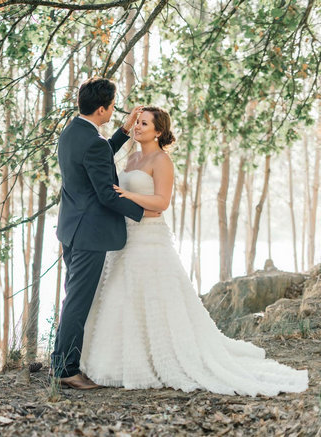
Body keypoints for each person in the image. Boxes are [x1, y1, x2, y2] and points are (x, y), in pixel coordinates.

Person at [79, 106, 308, 396]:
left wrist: (127, 194)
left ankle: (159, 358)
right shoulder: (133, 157)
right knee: (116, 297)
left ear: (158, 131)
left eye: (144, 123)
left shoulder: (161, 160)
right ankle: (111, 361)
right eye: (136, 122)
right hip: (124, 239)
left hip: (149, 240)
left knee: (153, 301)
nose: (137, 127)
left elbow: (161, 203)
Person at [51, 77, 160, 389]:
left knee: (72, 297)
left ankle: (61, 361)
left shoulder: (72, 132)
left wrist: (123, 132)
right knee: (77, 301)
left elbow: (96, 158)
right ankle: (67, 370)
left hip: (71, 229)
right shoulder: (93, 142)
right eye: (112, 106)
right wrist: (143, 213)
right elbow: (106, 194)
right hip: (90, 234)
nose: (114, 110)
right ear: (102, 109)